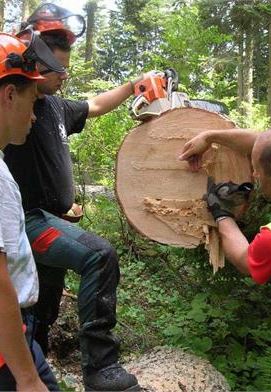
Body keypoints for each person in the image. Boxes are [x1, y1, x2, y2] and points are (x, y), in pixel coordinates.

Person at [4, 3, 152, 391]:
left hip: (52, 219)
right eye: (55, 68)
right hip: (29, 220)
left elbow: (98, 105)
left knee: (40, 310)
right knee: (99, 256)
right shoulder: (19, 100)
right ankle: (100, 368)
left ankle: (30, 367)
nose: (62, 76)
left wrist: (136, 85)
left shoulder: (53, 106)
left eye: (66, 68)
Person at [179, 126, 271, 391]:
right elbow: (265, 143)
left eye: (257, 170)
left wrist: (221, 213)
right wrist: (209, 137)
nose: (253, 174)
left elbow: (245, 260)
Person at [0, 31, 63, 391]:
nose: (35, 116)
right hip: (7, 352)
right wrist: (25, 377)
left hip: (17, 338)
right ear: (10, 95)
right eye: (32, 101)